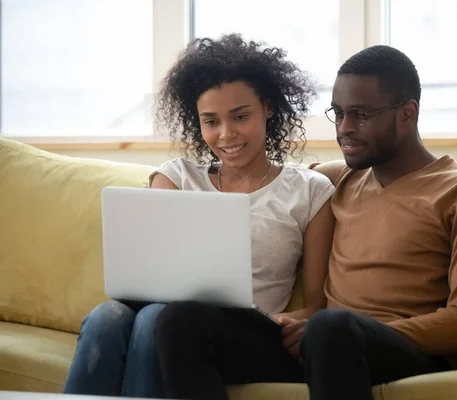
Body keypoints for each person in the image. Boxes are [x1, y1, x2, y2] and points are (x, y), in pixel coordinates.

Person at [156, 44, 457, 400]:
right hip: (319, 344)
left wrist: (350, 328)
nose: (344, 129)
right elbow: (276, 183)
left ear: (407, 113)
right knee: (183, 319)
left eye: (360, 115)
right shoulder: (338, 180)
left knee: (332, 325)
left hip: (405, 350)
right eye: (338, 114)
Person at [63, 33, 335, 399]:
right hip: (166, 316)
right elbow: (149, 273)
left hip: (247, 331)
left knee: (155, 322)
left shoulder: (310, 190)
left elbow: (316, 304)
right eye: (211, 121)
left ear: (268, 107)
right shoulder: (175, 178)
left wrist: (282, 322)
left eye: (240, 116)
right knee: (105, 317)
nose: (226, 134)